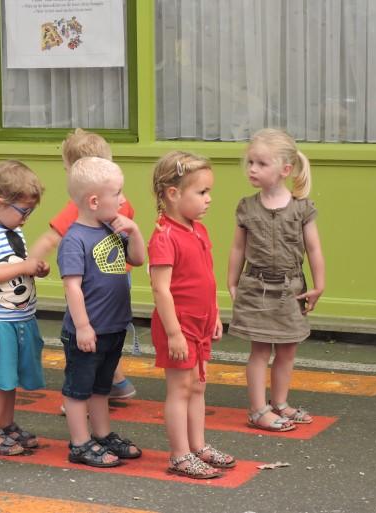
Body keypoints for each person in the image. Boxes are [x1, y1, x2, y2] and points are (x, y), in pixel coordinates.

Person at [227, 128, 325, 432]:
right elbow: (237, 247)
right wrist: (231, 281)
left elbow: (313, 248)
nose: (252, 169)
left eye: (261, 163)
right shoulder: (246, 206)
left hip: (290, 289)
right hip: (256, 287)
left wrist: (318, 285)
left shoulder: (301, 208)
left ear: (285, 170)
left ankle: (280, 403)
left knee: (287, 351)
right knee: (259, 351)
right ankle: (258, 409)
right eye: (251, 162)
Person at [31, 128, 137, 402]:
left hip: (90, 282)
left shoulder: (80, 207)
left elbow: (52, 237)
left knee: (86, 337)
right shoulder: (120, 202)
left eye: (67, 168)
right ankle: (116, 381)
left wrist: (29, 261)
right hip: (118, 277)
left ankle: (79, 395)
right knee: (111, 332)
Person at [148, 151, 233, 480]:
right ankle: (180, 455)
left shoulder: (198, 230)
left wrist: (216, 315)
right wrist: (173, 333)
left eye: (208, 191)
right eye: (201, 192)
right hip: (178, 327)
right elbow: (161, 290)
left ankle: (198, 446)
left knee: (198, 386)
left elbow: (207, 277)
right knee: (180, 390)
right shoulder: (164, 236)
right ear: (173, 193)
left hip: (200, 324)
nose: (209, 199)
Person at [57, 156, 145, 468]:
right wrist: (82, 326)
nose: (123, 200)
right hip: (88, 331)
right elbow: (72, 288)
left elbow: (138, 259)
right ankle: (80, 443)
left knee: (101, 387)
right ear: (94, 201)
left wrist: (134, 232)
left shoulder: (112, 229)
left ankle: (102, 434)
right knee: (79, 389)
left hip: (113, 327)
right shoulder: (74, 239)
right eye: (118, 193)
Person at [0, 160, 50, 456]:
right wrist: (26, 266)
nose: (26, 218)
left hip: (20, 318)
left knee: (10, 378)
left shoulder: (12, 231)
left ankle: (6, 425)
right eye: (23, 211)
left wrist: (35, 270)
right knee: (0, 381)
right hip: (0, 322)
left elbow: (14, 269)